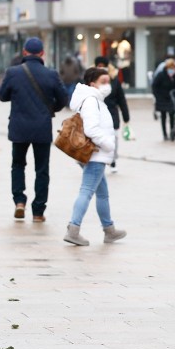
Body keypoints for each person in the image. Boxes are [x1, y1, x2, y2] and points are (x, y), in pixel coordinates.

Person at [0, 37, 68, 222]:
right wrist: (50, 109)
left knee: (18, 165)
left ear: (24, 52)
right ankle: (38, 212)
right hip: (42, 128)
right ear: (42, 53)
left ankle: (19, 201)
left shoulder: (13, 72)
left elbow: (2, 96)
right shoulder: (51, 74)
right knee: (42, 169)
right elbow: (63, 99)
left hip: (19, 127)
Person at [63, 66, 127, 246]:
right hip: (96, 154)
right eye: (103, 82)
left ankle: (109, 230)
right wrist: (109, 145)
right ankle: (73, 229)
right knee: (87, 191)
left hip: (95, 154)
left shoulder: (94, 99)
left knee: (103, 194)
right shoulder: (92, 100)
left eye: (109, 81)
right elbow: (92, 129)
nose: (108, 85)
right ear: (93, 84)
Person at [95, 56, 130, 173]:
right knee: (97, 138)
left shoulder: (114, 80)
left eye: (103, 66)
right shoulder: (92, 80)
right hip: (96, 114)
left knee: (113, 138)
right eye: (98, 66)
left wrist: (126, 116)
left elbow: (121, 99)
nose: (101, 68)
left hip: (112, 114)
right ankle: (97, 160)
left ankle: (113, 160)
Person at [151, 58, 175, 141]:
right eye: (170, 68)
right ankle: (164, 134)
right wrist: (157, 96)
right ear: (167, 68)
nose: (172, 70)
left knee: (172, 115)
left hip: (170, 98)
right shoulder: (161, 75)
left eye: (173, 68)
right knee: (163, 116)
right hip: (161, 98)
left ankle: (172, 132)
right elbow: (154, 86)